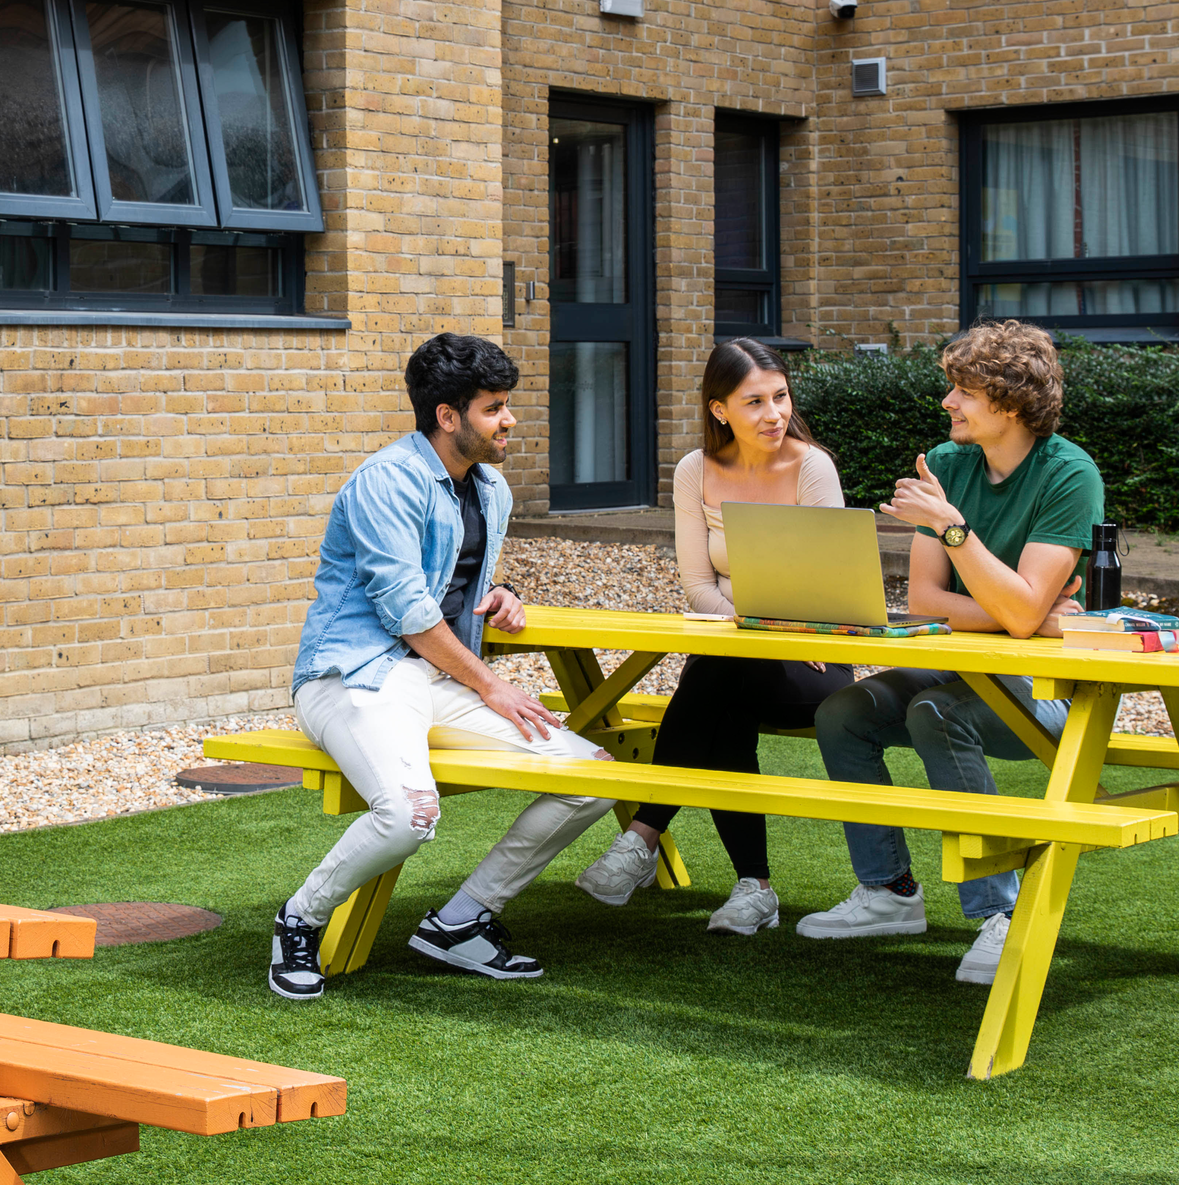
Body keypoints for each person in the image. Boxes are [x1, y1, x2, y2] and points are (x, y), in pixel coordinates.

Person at [267, 333, 615, 1002]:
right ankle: (300, 919)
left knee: (592, 778)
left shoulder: (490, 487)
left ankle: (459, 921)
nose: (508, 419)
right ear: (447, 416)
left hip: (435, 679)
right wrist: (491, 683)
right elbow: (408, 613)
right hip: (357, 674)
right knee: (407, 813)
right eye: (494, 408)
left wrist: (503, 592)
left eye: (507, 405)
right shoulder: (385, 483)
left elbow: (456, 580)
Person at [796, 320, 1103, 986]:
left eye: (962, 390)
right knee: (844, 711)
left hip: (1049, 696)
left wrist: (954, 529)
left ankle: (1002, 913)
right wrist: (1022, 614)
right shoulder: (947, 462)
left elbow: (1020, 614)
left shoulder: (1070, 474)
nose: (948, 403)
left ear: (1011, 401)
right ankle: (887, 891)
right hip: (969, 662)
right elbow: (934, 601)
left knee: (936, 711)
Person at [572, 338, 853, 934]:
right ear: (720, 409)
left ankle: (644, 835)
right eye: (754, 402)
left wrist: (761, 628)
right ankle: (754, 889)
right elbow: (697, 586)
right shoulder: (695, 471)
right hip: (737, 654)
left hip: (813, 662)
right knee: (724, 684)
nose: (774, 414)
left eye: (780, 397)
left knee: (714, 676)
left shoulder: (811, 467)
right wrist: (753, 626)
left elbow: (831, 591)